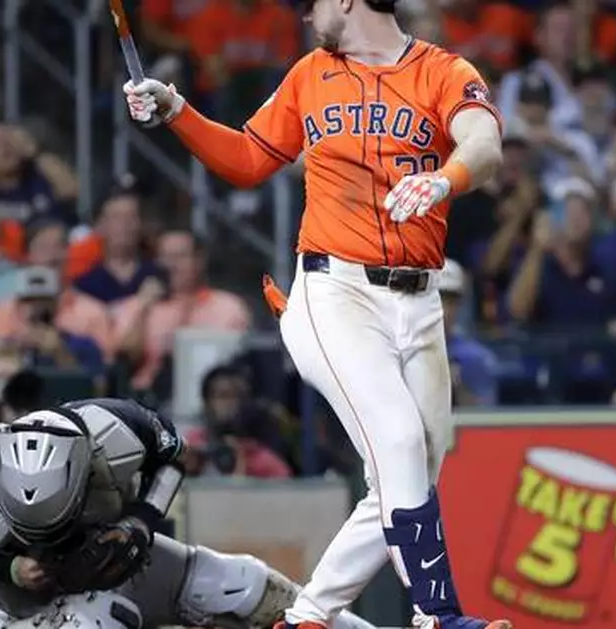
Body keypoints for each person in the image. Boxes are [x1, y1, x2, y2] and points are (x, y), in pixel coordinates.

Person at [123, 0, 510, 626]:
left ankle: (306, 617)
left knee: (408, 473)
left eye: (313, 3)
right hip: (335, 292)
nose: (305, 14)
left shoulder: (443, 70)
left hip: (420, 299)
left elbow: (486, 145)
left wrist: (446, 179)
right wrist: (177, 112)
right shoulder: (310, 73)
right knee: (399, 442)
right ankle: (437, 615)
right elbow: (249, 159)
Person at [0, 399, 375, 629]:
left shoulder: (117, 428)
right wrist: (16, 568)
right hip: (41, 598)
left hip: (126, 558)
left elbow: (174, 458)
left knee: (241, 583)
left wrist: (140, 522)